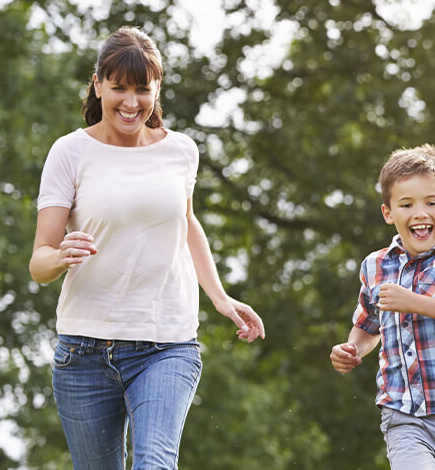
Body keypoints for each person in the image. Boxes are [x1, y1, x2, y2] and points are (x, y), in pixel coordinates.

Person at [30, 26, 265, 469]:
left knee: (154, 463)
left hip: (166, 344)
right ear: (97, 85)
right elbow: (39, 261)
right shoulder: (69, 153)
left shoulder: (181, 151)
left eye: (143, 89)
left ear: (158, 88)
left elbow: (187, 223)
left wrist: (220, 297)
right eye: (119, 88)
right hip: (84, 350)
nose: (131, 102)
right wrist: (60, 256)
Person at [329, 144, 435, 470]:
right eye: (406, 204)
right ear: (389, 213)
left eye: (431, 202)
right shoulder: (375, 266)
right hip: (405, 417)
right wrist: (352, 349)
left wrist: (415, 303)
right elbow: (368, 327)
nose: (420, 213)